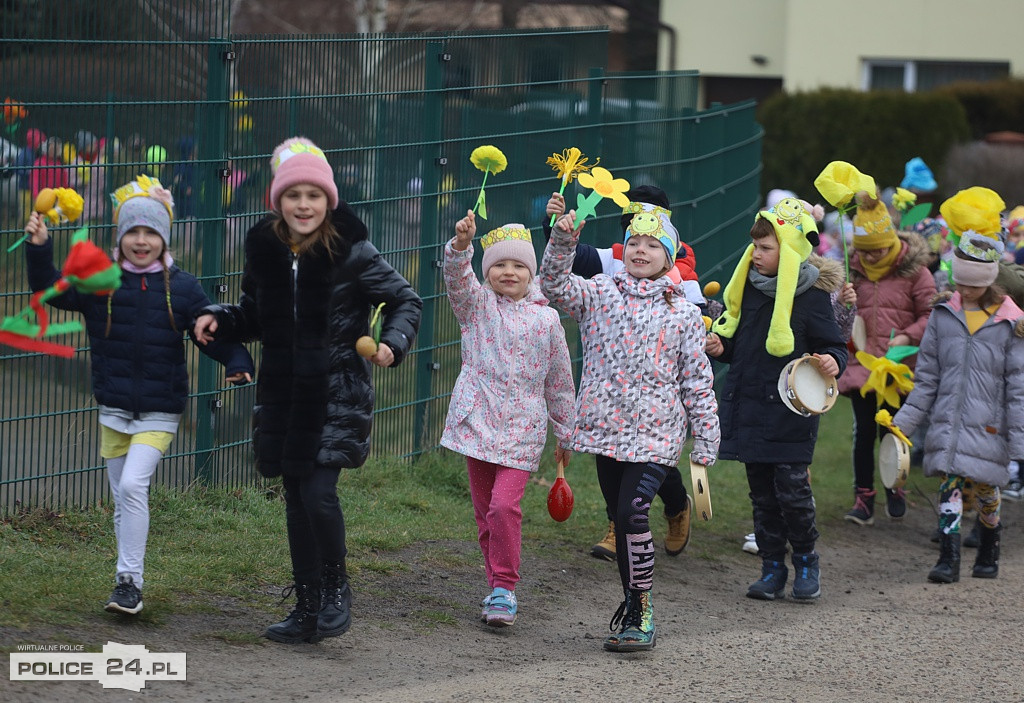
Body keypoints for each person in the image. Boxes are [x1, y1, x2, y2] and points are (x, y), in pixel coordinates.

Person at [193, 137, 422, 644]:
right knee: (296, 497)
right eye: (293, 194)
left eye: (313, 195)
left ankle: (337, 586)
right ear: (278, 200)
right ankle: (307, 605)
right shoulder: (266, 252)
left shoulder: (353, 253)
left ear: (329, 201)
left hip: (336, 392)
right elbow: (255, 316)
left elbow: (406, 299)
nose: (303, 204)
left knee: (319, 492)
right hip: (282, 393)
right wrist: (219, 318)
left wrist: (392, 343)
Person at [23, 176, 254, 615]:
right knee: (122, 499)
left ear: (164, 237)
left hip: (160, 409)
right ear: (121, 237)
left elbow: (210, 334)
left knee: (133, 485)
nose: (142, 241)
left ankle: (131, 582)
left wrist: (238, 361)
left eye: (151, 232)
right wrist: (38, 246)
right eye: (133, 232)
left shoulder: (183, 288)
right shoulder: (99, 281)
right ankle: (122, 583)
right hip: (112, 408)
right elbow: (48, 289)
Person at [542, 200, 720, 652]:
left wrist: (705, 438)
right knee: (621, 521)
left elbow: (697, 382)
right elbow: (554, 286)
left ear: (669, 256)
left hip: (657, 437)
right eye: (634, 242)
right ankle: (630, 602)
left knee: (633, 512)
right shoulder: (600, 292)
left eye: (652, 244)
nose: (640, 249)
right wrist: (563, 240)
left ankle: (641, 609)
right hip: (605, 432)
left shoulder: (681, 313)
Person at [543, 185, 702, 562]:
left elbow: (696, 327)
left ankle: (675, 506)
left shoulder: (680, 275)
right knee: (613, 464)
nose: (641, 245)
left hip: (654, 411)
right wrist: (556, 225)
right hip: (609, 402)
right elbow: (562, 267)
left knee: (648, 473)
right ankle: (617, 524)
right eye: (634, 229)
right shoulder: (611, 263)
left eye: (652, 235)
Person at [707, 196, 847, 602]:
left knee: (792, 492)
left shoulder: (812, 295)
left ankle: (805, 559)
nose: (756, 255)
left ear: (788, 250)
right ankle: (771, 567)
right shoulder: (746, 291)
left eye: (766, 248)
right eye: (755, 246)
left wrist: (832, 360)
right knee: (762, 495)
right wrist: (722, 348)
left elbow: (834, 344)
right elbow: (741, 344)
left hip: (791, 410)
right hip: (751, 404)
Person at [441, 211, 575, 628]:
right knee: (485, 516)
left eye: (518, 265)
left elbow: (559, 379)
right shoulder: (476, 308)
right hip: (476, 423)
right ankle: (495, 586)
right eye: (499, 264)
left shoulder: (547, 319)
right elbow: (457, 280)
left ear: (531, 272)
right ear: (488, 272)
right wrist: (461, 247)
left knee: (503, 508)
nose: (509, 272)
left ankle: (505, 588)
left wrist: (566, 431)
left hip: (522, 430)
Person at [891, 186, 1024, 583]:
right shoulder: (943, 316)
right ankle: (948, 558)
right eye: (960, 283)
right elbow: (927, 375)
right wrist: (906, 423)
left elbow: (1017, 386)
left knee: (986, 491)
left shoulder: (1010, 324)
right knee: (949, 486)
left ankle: (990, 542)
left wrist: (1018, 442)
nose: (963, 291)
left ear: (989, 281)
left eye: (972, 285)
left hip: (989, 424)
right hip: (949, 419)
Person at [837, 190, 935, 525]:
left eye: (879, 248)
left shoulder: (915, 272)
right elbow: (839, 320)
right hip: (862, 367)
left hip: (898, 368)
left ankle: (896, 485)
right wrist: (842, 301)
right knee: (863, 431)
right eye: (867, 252)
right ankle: (863, 497)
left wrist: (909, 335)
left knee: (893, 430)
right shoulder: (852, 273)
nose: (874, 256)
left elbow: (930, 315)